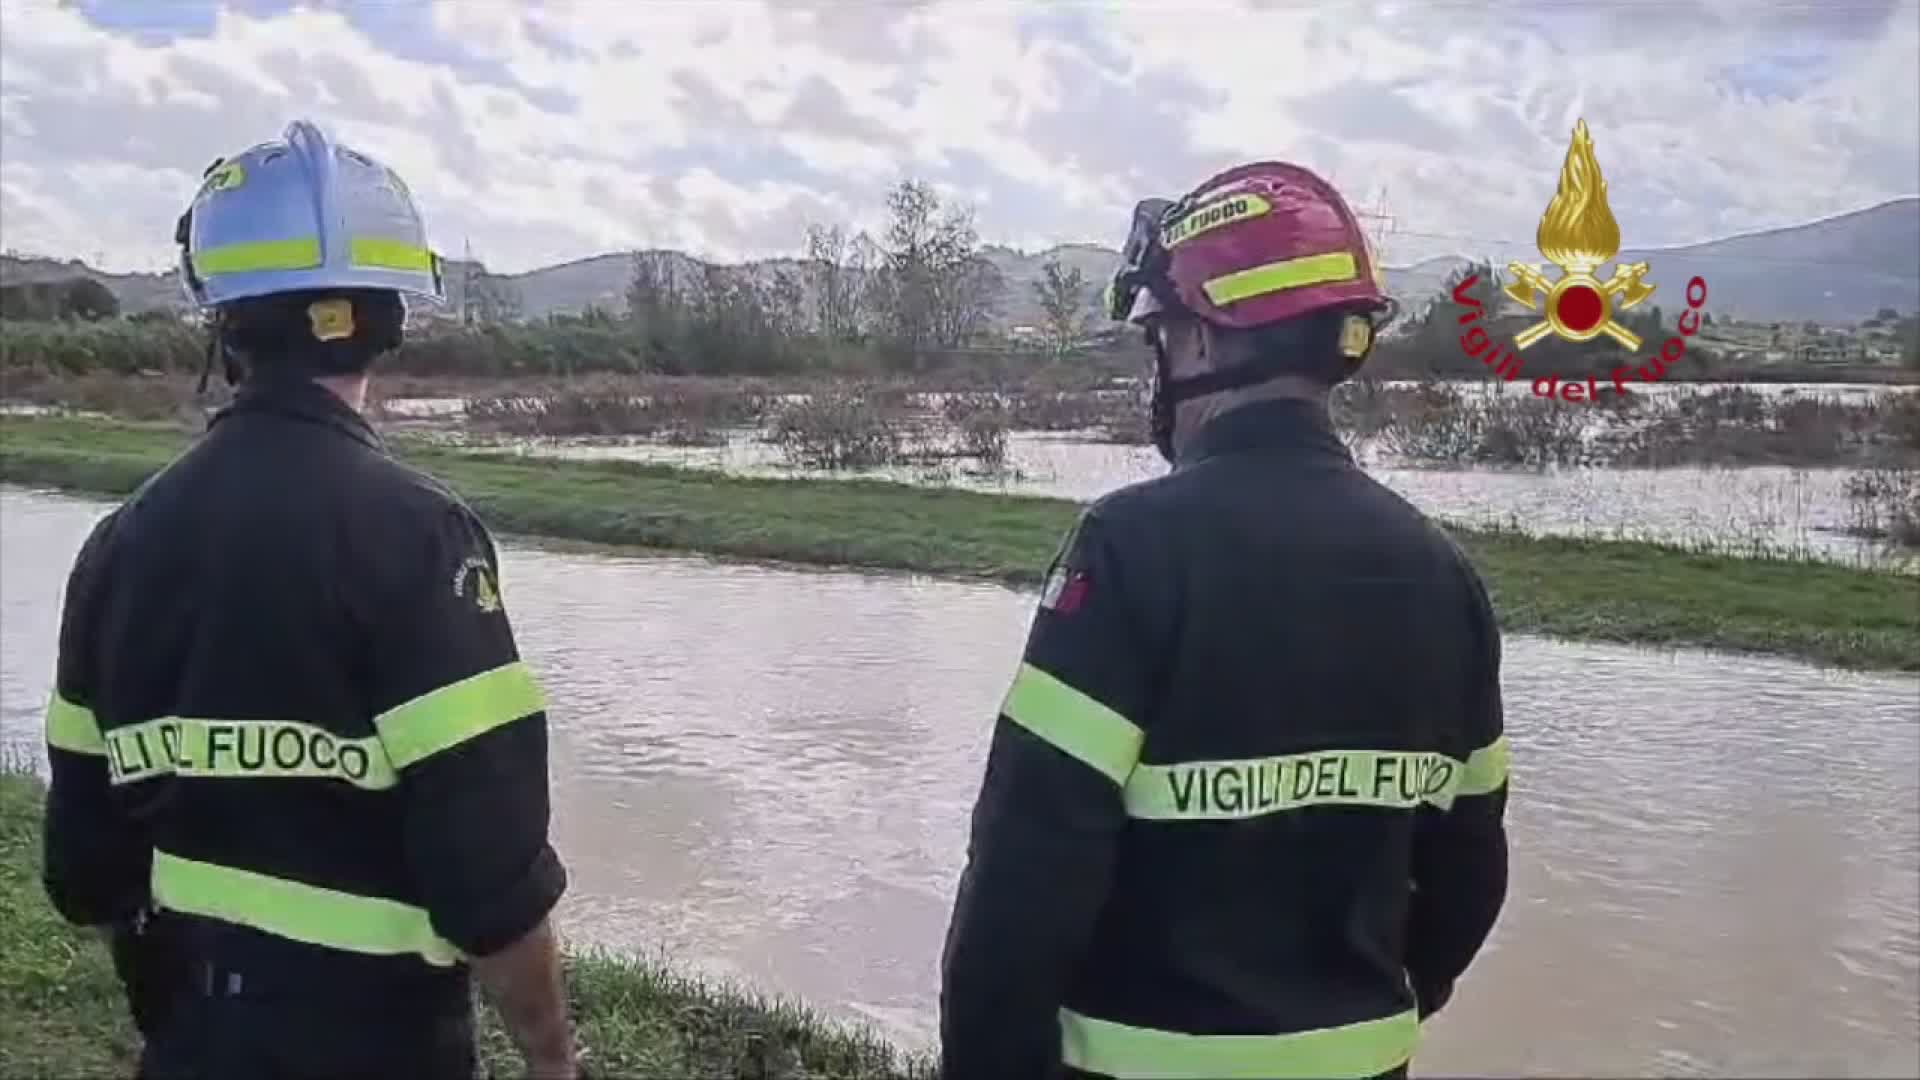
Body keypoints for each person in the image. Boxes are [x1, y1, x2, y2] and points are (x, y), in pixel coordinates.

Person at [938, 161, 1511, 1080]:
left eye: (1159, 336)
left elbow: (1025, 876)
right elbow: (1469, 875)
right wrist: (1357, 1011)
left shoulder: (1127, 549)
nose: (1156, 366)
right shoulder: (1441, 572)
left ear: (1203, 343)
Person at [39, 119, 580, 1080]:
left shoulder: (117, 546)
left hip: (192, 1043)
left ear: (223, 322)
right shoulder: (422, 539)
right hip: (382, 1044)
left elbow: (85, 871)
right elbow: (489, 878)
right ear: (390, 319)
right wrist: (551, 1056)